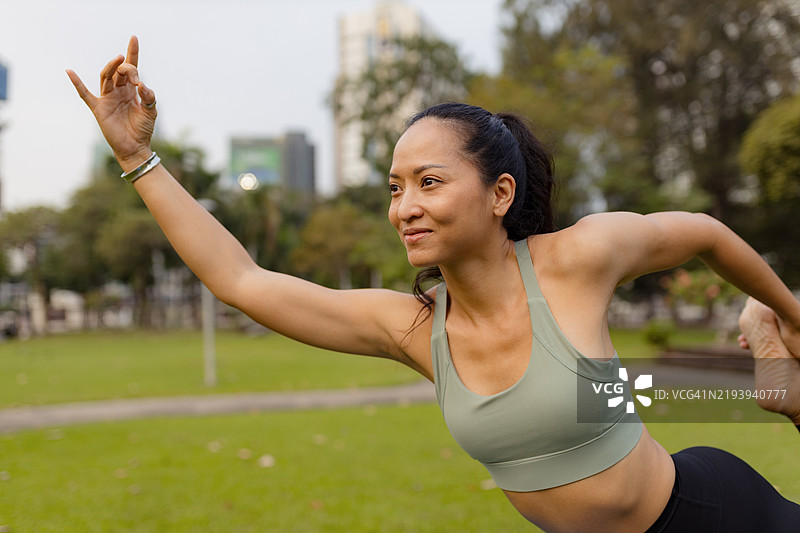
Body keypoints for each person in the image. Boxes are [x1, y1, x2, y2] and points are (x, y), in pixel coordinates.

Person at [67, 36, 800, 532]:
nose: (404, 205)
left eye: (429, 181)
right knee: (608, 389)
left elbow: (705, 230)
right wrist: (139, 158)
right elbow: (241, 278)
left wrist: (786, 309)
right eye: (394, 187)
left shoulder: (578, 259)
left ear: (500, 194)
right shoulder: (415, 328)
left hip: (708, 511)